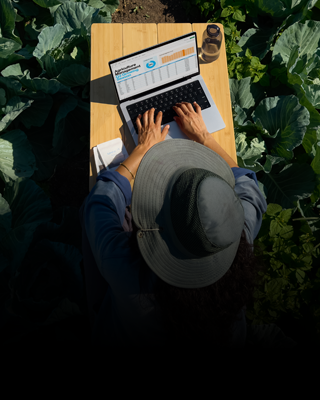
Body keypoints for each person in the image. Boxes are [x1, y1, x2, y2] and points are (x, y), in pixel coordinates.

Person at [79, 101, 268, 347]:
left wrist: (143, 150)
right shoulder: (232, 240)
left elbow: (99, 202)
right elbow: (250, 188)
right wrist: (204, 136)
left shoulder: (128, 272)